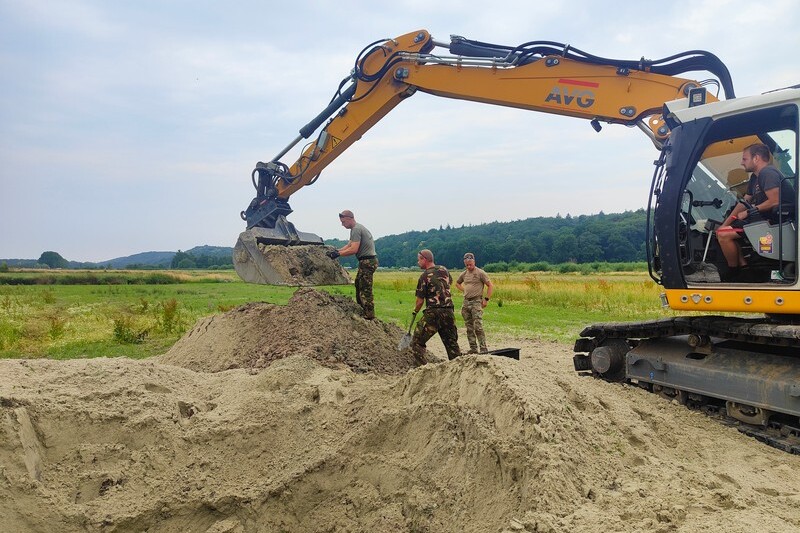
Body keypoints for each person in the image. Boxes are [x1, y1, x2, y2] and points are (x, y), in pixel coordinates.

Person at [716, 143, 795, 281]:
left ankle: (733, 273)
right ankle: (745, 269)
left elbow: (774, 201)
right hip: (762, 219)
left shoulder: (768, 173)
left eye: (744, 159)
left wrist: (749, 212)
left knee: (724, 236)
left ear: (756, 158)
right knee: (722, 231)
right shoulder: (755, 177)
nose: (741, 162)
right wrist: (725, 223)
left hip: (775, 222)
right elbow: (744, 202)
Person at [410, 249, 461, 364]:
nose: (418, 262)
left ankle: (422, 369)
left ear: (425, 259)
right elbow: (448, 283)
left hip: (433, 313)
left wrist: (415, 311)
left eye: (419, 260)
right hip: (449, 312)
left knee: (417, 342)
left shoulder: (424, 276)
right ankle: (459, 371)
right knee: (452, 344)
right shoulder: (444, 270)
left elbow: (419, 301)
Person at [328, 210, 378, 319]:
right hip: (366, 261)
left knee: (365, 288)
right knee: (358, 285)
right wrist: (337, 251)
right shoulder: (355, 229)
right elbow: (349, 245)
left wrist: (338, 254)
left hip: (368, 262)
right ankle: (362, 309)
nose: (342, 224)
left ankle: (368, 314)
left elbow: (353, 249)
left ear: (350, 218)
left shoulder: (356, 229)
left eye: (344, 222)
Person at [455, 252, 494, 354]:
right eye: (467, 265)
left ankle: (483, 348)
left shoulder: (480, 273)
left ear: (474, 262)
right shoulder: (464, 274)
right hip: (466, 302)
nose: (469, 266)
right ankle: (473, 348)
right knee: (469, 327)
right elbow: (457, 283)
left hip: (477, 302)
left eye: (470, 264)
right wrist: (464, 290)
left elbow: (490, 285)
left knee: (478, 326)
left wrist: (486, 299)